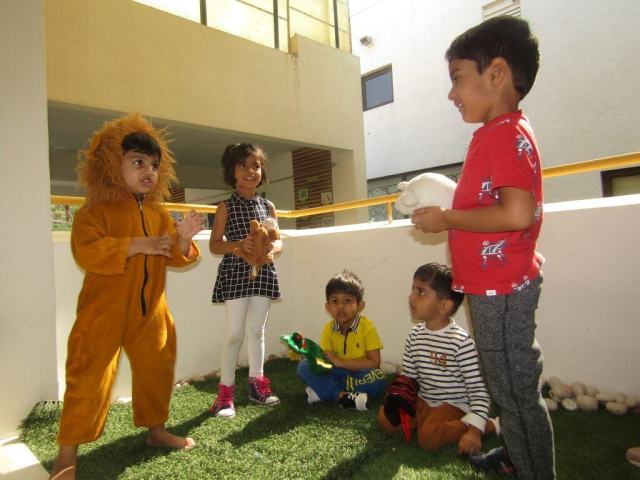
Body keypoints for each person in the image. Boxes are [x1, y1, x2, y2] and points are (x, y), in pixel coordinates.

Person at [412, 16, 554, 479]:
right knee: (504, 385)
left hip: (504, 289)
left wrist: (448, 218)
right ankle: (514, 456)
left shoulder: (508, 134)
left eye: (457, 78)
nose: (451, 93)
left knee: (515, 393)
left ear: (495, 73)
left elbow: (516, 213)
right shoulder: (498, 133)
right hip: (495, 285)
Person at [49, 113, 203, 480]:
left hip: (152, 312)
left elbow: (176, 258)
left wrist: (183, 238)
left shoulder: (158, 211)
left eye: (153, 164)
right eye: (137, 162)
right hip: (103, 312)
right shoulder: (94, 211)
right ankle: (67, 451)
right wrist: (136, 245)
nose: (147, 170)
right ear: (109, 165)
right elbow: (86, 251)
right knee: (88, 375)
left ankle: (156, 430)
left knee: (157, 368)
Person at [378, 263, 496, 455]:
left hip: (453, 406)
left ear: (445, 305)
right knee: (386, 419)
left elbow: (479, 391)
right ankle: (427, 422)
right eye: (413, 289)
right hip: (424, 401)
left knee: (428, 439)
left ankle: (487, 425)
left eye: (421, 292)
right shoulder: (415, 335)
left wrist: (475, 431)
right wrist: (400, 399)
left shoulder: (461, 343)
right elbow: (409, 378)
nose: (411, 297)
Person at [209, 143, 283, 418]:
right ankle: (225, 394)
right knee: (234, 334)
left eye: (256, 165)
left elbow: (279, 242)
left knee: (256, 331)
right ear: (232, 171)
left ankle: (257, 385)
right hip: (235, 274)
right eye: (243, 166)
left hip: (264, 273)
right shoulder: (225, 207)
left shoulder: (268, 206)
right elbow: (215, 245)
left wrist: (270, 251)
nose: (251, 171)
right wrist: (238, 246)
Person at [297, 270, 386, 410]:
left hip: (358, 375)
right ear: (328, 307)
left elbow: (374, 363)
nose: (340, 306)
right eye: (334, 301)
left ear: (360, 305)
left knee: (378, 378)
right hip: (336, 373)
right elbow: (326, 363)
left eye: (348, 301)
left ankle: (322, 391)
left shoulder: (367, 328)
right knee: (303, 366)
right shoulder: (328, 329)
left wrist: (343, 363)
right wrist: (310, 354)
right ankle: (342, 396)